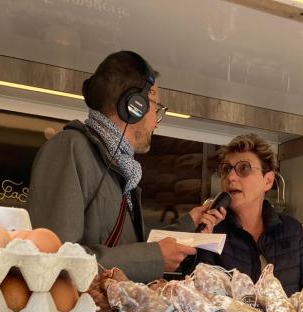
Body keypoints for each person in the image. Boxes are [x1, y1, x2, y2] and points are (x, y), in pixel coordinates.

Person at [26, 51, 223, 282]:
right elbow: (53, 260)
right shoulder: (70, 149)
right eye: (156, 108)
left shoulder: (118, 166)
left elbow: (126, 246)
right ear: (134, 106)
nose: (156, 123)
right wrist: (153, 258)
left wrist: (188, 224)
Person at [196, 133, 303, 312]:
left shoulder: (291, 230)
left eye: (243, 169)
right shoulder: (212, 230)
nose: (231, 177)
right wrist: (200, 239)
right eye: (226, 169)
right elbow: (198, 301)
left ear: (268, 181)